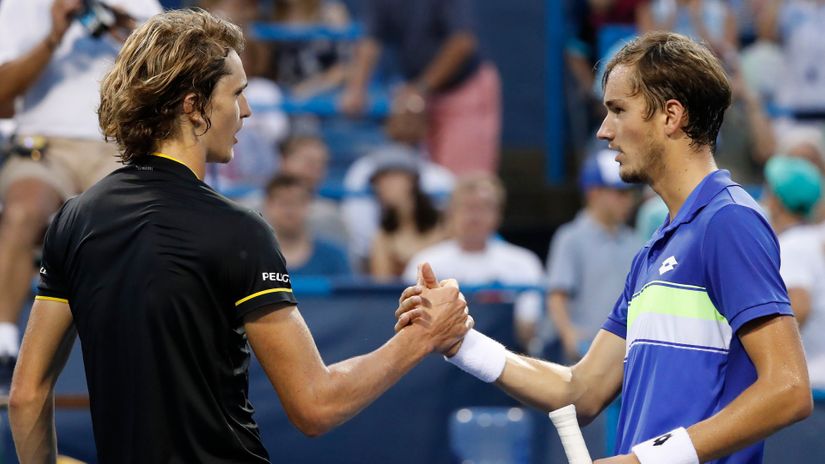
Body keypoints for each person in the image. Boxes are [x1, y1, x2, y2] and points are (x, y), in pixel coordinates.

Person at [8, 9, 470, 463]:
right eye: (237, 93)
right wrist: (420, 339)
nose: (246, 110)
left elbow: (28, 396)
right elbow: (316, 405)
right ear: (194, 107)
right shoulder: (239, 230)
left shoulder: (74, 219)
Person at [398, 31, 812, 463]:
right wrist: (460, 341)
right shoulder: (655, 249)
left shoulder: (728, 222)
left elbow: (788, 388)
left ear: (670, 116)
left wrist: (642, 461)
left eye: (618, 110)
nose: (603, 131)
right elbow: (581, 390)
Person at [0, 0, 162, 389]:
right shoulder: (19, 6)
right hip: (45, 146)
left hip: (117, 146)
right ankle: (3, 343)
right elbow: (2, 95)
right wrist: (53, 37)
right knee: (23, 212)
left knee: (136, 223)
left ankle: (131, 346)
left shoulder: (140, 5)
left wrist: (129, 37)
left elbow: (163, 86)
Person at [339, 0, 501, 175]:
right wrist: (356, 89)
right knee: (423, 179)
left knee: (462, 181)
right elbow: (371, 41)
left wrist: (421, 88)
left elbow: (462, 42)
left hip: (464, 90)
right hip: (421, 95)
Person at [403, 173, 545, 352]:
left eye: (484, 208)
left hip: (506, 356)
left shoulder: (524, 263)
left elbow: (528, 328)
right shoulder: (426, 263)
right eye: (468, 207)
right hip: (439, 363)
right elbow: (413, 326)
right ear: (451, 214)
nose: (475, 216)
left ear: (498, 214)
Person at [546, 148, 640, 362]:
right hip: (585, 352)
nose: (628, 201)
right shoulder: (570, 238)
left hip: (626, 351)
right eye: (620, 193)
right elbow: (557, 295)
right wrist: (568, 333)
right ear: (594, 193)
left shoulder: (635, 241)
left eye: (629, 194)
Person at [762, 155, 825, 390]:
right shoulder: (811, 239)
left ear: (777, 200)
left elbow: (800, 305)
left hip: (813, 387)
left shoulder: (795, 245)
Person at [369, 153, 445, 280]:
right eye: (378, 182)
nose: (381, 187)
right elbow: (382, 284)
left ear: (411, 180)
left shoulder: (444, 225)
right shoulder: (383, 237)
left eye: (390, 177)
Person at [263, 173, 351, 276]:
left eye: (297, 202)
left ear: (309, 205)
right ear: (268, 206)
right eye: (283, 203)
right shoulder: (250, 258)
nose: (289, 211)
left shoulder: (334, 257)